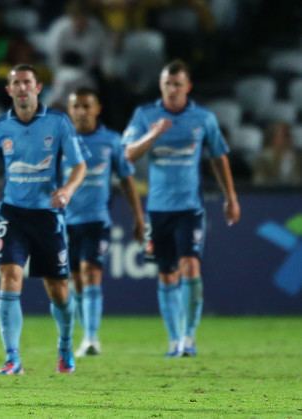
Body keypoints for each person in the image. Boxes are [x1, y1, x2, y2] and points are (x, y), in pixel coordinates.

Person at [0, 64, 87, 375]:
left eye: (27, 83)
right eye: (16, 83)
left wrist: (68, 190)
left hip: (48, 215)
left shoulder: (58, 124)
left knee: (58, 288)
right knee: (9, 276)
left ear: (37, 88)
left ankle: (64, 345)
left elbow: (79, 167)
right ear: (9, 90)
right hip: (13, 213)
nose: (22, 88)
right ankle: (12, 358)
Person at [122, 59, 240, 357]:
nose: (171, 89)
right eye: (166, 84)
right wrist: (153, 134)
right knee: (166, 274)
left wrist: (231, 197)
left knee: (190, 265)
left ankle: (189, 336)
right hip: (159, 208)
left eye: (177, 84)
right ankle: (174, 339)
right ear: (160, 85)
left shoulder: (203, 118)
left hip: (190, 207)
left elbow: (219, 157)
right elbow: (127, 156)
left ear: (188, 86)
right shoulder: (145, 115)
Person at [65, 87, 145, 357]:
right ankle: (83, 334)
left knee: (91, 273)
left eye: (87, 106)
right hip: (65, 222)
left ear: (97, 109)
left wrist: (138, 217)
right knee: (75, 280)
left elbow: (126, 179)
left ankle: (91, 338)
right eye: (77, 106)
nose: (82, 112)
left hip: (96, 220)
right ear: (70, 110)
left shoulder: (111, 141)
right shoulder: (60, 141)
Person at [252, 121, 302, 187]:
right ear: (274, 138)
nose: (287, 139)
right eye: (284, 136)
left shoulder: (298, 158)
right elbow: (259, 181)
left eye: (289, 135)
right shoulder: (264, 159)